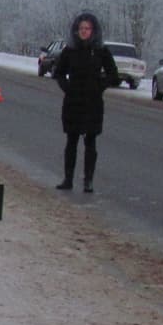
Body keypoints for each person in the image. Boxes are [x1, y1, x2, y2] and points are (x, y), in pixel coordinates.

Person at [50, 11, 118, 191]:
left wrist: (99, 87)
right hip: (73, 102)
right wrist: (67, 88)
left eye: (87, 28)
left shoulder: (101, 51)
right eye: (81, 28)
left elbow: (113, 74)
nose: (84, 31)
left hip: (93, 103)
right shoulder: (70, 50)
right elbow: (58, 73)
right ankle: (68, 179)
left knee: (90, 142)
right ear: (76, 30)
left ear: (94, 30)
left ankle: (88, 181)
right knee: (71, 140)